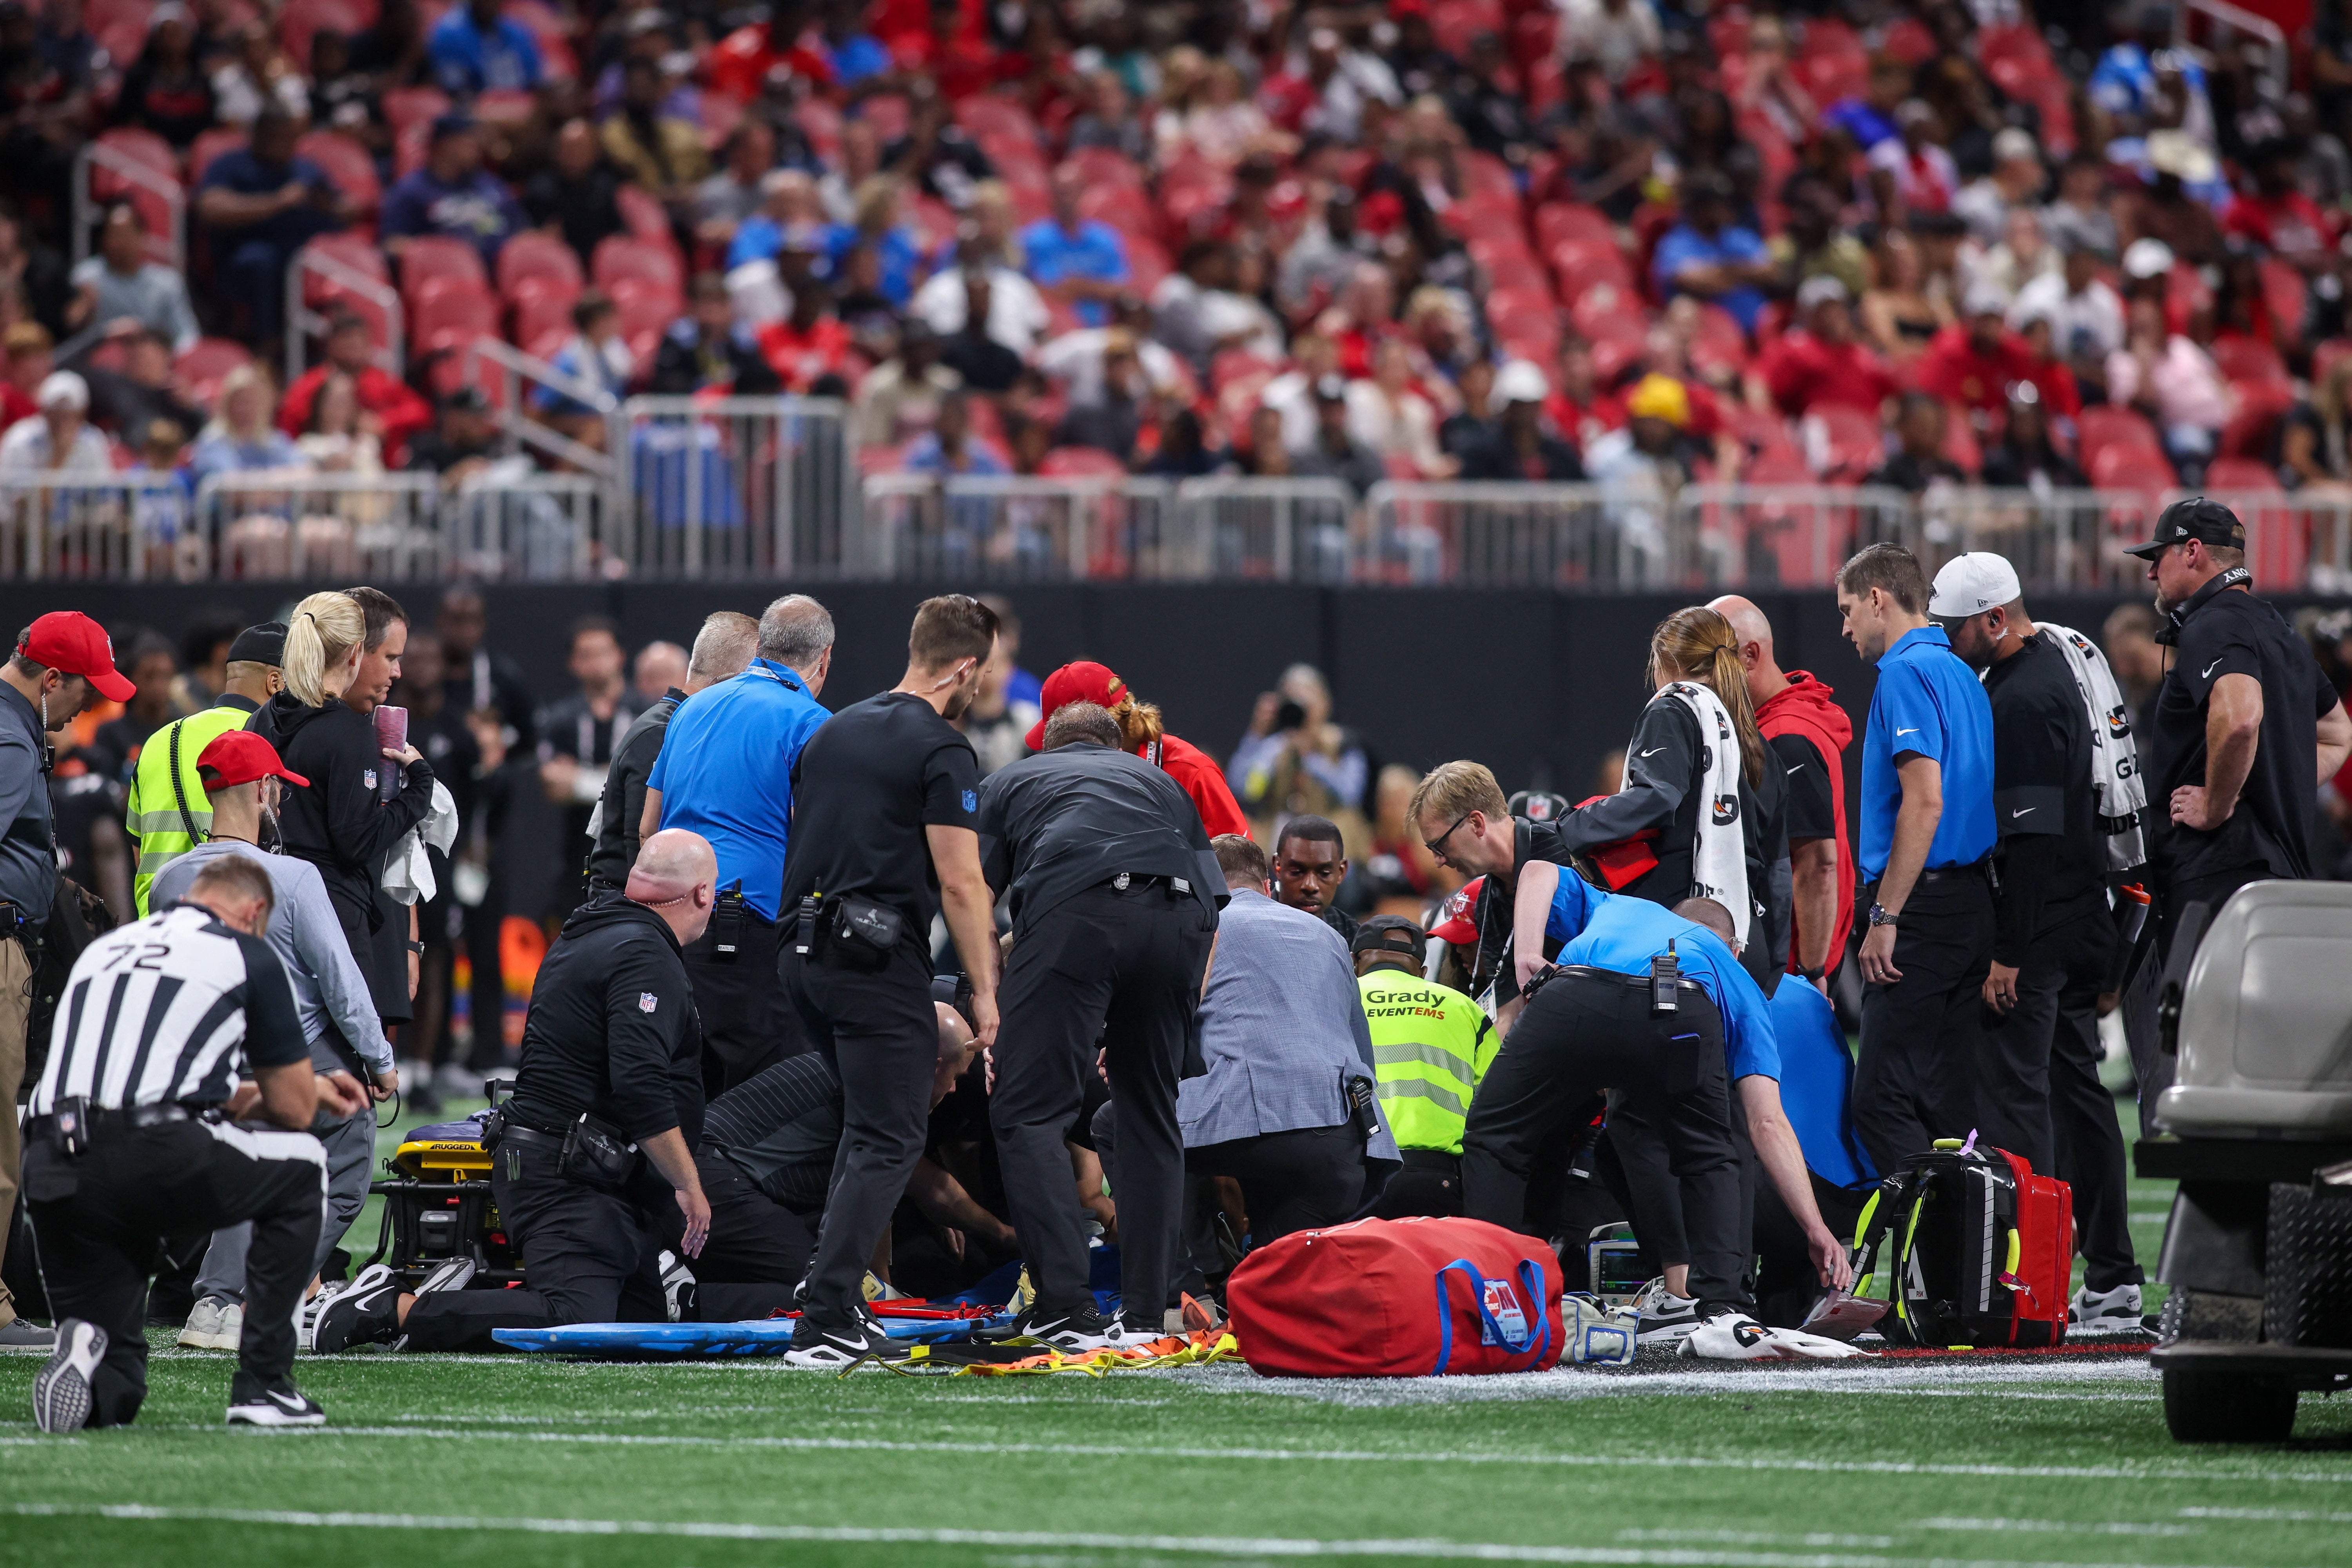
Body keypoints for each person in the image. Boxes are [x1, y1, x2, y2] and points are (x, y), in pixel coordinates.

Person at [314, 832, 719, 1354]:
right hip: (566, 1172)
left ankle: (461, 1291)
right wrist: (688, 1184)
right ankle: (396, 1308)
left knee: (634, 1324)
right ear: (704, 895)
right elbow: (640, 1085)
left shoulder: (597, 930)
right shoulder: (644, 953)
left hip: (561, 1163)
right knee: (579, 1319)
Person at [25, 855, 368, 1430]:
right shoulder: (244, 952)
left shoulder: (109, 951)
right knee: (307, 1164)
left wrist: (260, 1095)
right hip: (146, 1151)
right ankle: (264, 1384)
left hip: (53, 1158)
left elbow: (153, 1076)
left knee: (119, 1387)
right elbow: (291, 1111)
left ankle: (86, 1345)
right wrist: (309, 1090)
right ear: (253, 912)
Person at [775, 595, 1001, 1368]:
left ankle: (831, 1288)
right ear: (965, 667)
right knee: (891, 1131)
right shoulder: (944, 749)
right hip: (873, 957)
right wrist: (988, 993)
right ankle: (828, 1311)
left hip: (799, 952)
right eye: (985, 675)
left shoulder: (831, 728)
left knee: (867, 1124)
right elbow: (964, 883)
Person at [1466, 860, 1815, 1358]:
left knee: (1496, 1135)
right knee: (1710, 1152)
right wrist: (1817, 1230)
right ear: (1734, 948)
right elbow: (1765, 1121)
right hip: (1682, 1009)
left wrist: (1527, 953)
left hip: (1577, 992)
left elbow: (1538, 868)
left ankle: (1494, 1296)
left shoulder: (1622, 907)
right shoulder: (1736, 977)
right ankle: (1722, 1308)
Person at [1930, 551, 2143, 1327]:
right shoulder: (2059, 651)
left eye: (1957, 629)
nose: (1949, 644)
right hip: (2082, 910)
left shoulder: (2022, 698)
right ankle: (2112, 1274)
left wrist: (2010, 952)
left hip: (2044, 923)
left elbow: (2031, 842)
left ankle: (2041, 1278)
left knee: (2022, 1099)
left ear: (1995, 619)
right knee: (2077, 1093)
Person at [979, 700, 1223, 1346]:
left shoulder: (1014, 779)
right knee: (1148, 1114)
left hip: (1077, 909)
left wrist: (987, 992)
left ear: (1047, 746)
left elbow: (968, 890)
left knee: (1027, 1111)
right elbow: (1214, 903)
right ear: (1116, 745)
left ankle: (1065, 1304)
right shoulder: (1164, 784)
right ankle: (1151, 1315)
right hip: (1181, 926)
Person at [150, 731, 392, 1353]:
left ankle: (213, 1302)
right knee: (348, 1161)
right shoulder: (294, 877)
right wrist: (380, 1062)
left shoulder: (170, 880)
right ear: (263, 789)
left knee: (247, 1161)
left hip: (207, 1063)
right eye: (276, 787)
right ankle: (260, 1296)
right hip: (291, 1056)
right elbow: (340, 983)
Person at [2125, 498, 2352, 954]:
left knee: (2202, 1024)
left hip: (2218, 875)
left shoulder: (2214, 622)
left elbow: (2241, 718)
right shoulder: (2279, 629)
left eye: (2158, 556)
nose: (2151, 573)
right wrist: (2269, 785)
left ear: (2192, 552)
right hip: (2277, 877)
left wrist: (2216, 801)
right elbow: (2338, 733)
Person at [1837, 543, 1997, 1179]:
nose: (1844, 628)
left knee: (1879, 1102)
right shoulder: (1961, 672)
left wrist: (1886, 914)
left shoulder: (1904, 674)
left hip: (1922, 910)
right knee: (1946, 1105)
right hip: (1971, 904)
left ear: (1879, 599)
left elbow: (1924, 803)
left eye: (1848, 610)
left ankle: (1937, 1258)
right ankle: (1974, 1265)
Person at [671, 1000, 985, 1321]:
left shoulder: (861, 1063)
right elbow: (898, 1189)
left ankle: (680, 1272)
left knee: (834, 1269)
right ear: (933, 1066)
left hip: (707, 1174)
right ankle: (687, 1300)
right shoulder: (882, 1091)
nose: (954, 1088)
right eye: (955, 1075)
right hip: (712, 1181)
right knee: (827, 1290)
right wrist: (1006, 1235)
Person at [0, 611, 133, 1352]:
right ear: (51, 679)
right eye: (86, 690)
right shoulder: (12, 737)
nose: (93, 706)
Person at [646, 597, 833, 1094]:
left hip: (669, 923)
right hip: (748, 929)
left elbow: (648, 828)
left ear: (764, 644)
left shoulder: (689, 711)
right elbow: (815, 839)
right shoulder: (810, 721)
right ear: (826, 657)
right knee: (768, 1097)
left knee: (686, 1083)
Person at [1552, 606, 1784, 993]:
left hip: (1676, 933)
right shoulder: (1761, 748)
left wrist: (1570, 826)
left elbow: (1655, 799)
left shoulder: (1673, 710)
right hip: (1747, 942)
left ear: (1664, 663)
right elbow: (1778, 869)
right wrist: (1774, 961)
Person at [247, 592, 437, 983]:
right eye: (391, 658)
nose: (397, 672)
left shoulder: (260, 720)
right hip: (331, 925)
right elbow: (357, 843)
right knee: (353, 1044)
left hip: (263, 914)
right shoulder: (350, 733)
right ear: (354, 654)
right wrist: (419, 789)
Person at [1709, 596, 1853, 990]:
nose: (1705, 677)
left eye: (1714, 660)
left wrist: (1811, 973)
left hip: (1788, 967)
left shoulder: (1787, 738)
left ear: (1750, 655)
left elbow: (1817, 864)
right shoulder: (1782, 724)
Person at [588, 612, 756, 896]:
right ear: (735, 678)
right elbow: (643, 858)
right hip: (629, 918)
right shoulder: (660, 733)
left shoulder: (685, 728)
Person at [125, 621, 283, 915]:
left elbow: (139, 851)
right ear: (275, 683)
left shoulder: (159, 740)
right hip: (231, 929)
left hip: (155, 932)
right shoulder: (271, 746)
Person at [1354, 915, 1495, 1218]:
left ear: (1354, 963)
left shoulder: (1336, 1000)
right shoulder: (1464, 1009)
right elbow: (1497, 1100)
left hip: (1354, 1171)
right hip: (1437, 1177)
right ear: (1422, 971)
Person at [1025, 661, 1250, 840]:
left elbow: (1241, 873)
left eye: (1066, 741)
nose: (1059, 755)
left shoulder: (1192, 773)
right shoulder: (1065, 785)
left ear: (1098, 729)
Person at [536, 618, 641, 922]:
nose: (596, 663)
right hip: (577, 853)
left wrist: (579, 778)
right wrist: (619, 777)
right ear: (572, 662)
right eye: (586, 654)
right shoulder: (561, 719)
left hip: (633, 851)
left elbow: (648, 784)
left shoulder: (645, 712)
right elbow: (554, 785)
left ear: (620, 655)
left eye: (603, 652)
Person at [379, 114, 526, 269]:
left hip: (503, 275)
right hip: (449, 277)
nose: (477, 149)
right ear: (444, 145)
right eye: (468, 143)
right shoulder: (411, 191)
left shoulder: (492, 184)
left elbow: (522, 232)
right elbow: (392, 244)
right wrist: (432, 252)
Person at [64, 203, 198, 354]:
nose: (121, 243)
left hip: (150, 362)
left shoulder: (167, 282)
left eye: (126, 234)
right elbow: (71, 327)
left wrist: (173, 359)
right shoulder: (87, 276)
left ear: (142, 236)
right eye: (114, 235)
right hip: (99, 359)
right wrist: (87, 305)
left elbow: (187, 336)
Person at [0, 371, 111, 475]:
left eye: (68, 412)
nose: (62, 421)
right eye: (56, 412)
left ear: (82, 413)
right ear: (44, 411)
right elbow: (13, 493)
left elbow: (102, 491)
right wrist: (59, 457)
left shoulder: (93, 441)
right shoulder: (21, 439)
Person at [1270, 813, 1355, 946]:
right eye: (1297, 872)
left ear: (1341, 872)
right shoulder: (1248, 929)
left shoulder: (1352, 937)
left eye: (1324, 874)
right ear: (1278, 866)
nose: (1310, 886)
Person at [426, 0, 541, 94]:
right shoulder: (449, 33)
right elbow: (455, 89)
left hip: (522, 105)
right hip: (477, 109)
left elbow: (535, 79)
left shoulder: (516, 31)